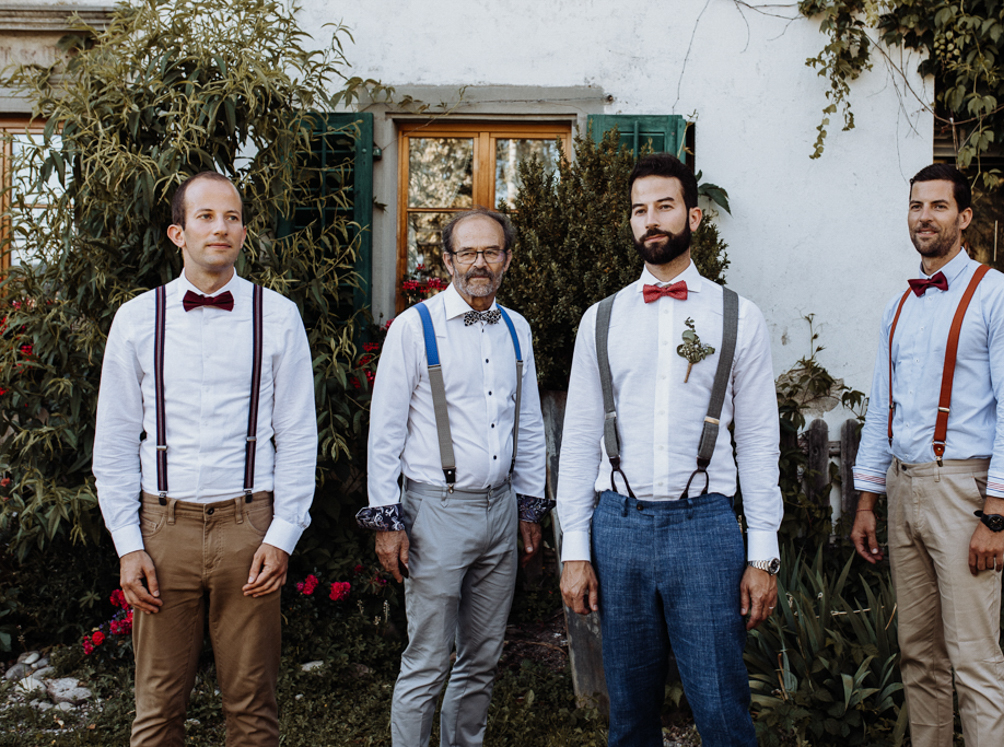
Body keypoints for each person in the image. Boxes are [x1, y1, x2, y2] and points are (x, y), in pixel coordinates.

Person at [556, 153, 783, 747]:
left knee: (722, 709)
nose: (650, 220)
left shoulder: (739, 317)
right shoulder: (600, 320)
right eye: (639, 210)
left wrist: (763, 554)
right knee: (629, 715)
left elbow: (760, 442)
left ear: (694, 216)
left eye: (664, 206)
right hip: (618, 527)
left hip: (705, 527)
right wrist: (574, 549)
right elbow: (578, 441)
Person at [93, 171, 318, 746]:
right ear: (178, 233)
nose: (221, 228)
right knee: (156, 708)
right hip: (162, 529)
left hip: (250, 526)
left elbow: (298, 436)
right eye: (206, 216)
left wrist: (282, 534)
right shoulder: (136, 319)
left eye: (233, 217)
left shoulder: (278, 316)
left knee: (253, 707)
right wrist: (128, 544)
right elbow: (114, 442)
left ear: (243, 232)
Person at [851, 163, 1004, 747]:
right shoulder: (898, 307)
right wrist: (867, 501)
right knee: (919, 654)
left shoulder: (1002, 297)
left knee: (974, 657)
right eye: (916, 206)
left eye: (938, 206)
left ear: (964, 217)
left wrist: (996, 515)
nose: (925, 217)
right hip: (904, 486)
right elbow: (883, 408)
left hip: (963, 491)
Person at [358, 207, 548, 747]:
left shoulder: (517, 328)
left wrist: (530, 507)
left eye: (491, 251)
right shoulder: (414, 328)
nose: (479, 263)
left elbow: (528, 423)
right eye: (467, 252)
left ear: (506, 258)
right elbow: (385, 430)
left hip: (500, 509)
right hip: (434, 512)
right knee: (426, 659)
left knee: (482, 658)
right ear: (447, 260)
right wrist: (386, 521)